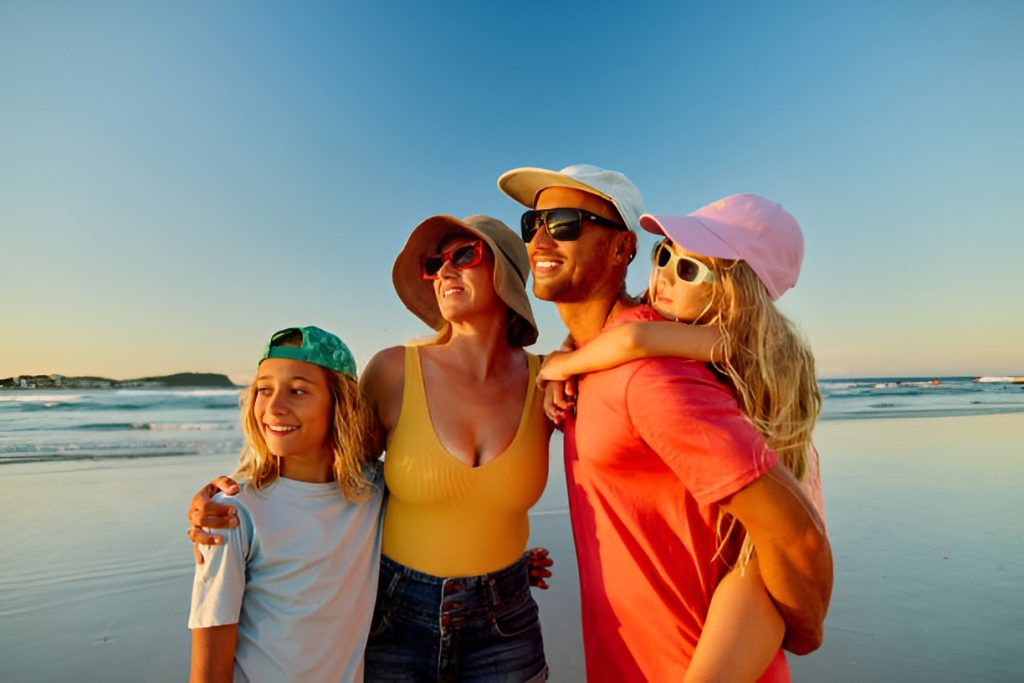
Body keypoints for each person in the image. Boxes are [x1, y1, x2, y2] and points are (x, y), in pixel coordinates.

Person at [498, 165, 832, 681]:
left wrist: (805, 628)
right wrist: (564, 360)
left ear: (620, 248)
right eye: (532, 223)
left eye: (564, 223)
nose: (540, 238)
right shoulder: (599, 362)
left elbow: (798, 539)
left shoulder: (651, 377)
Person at [188, 215, 553, 682]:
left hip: (507, 620)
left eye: (464, 255)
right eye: (434, 263)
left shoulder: (551, 381)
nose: (444, 271)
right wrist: (221, 504)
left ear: (507, 273)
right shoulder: (394, 372)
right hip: (398, 614)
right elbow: (325, 467)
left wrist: (505, 556)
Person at [188, 325, 385, 683]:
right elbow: (209, 663)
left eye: (298, 391)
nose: (274, 407)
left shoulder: (373, 492)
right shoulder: (232, 513)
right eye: (264, 390)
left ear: (341, 404)